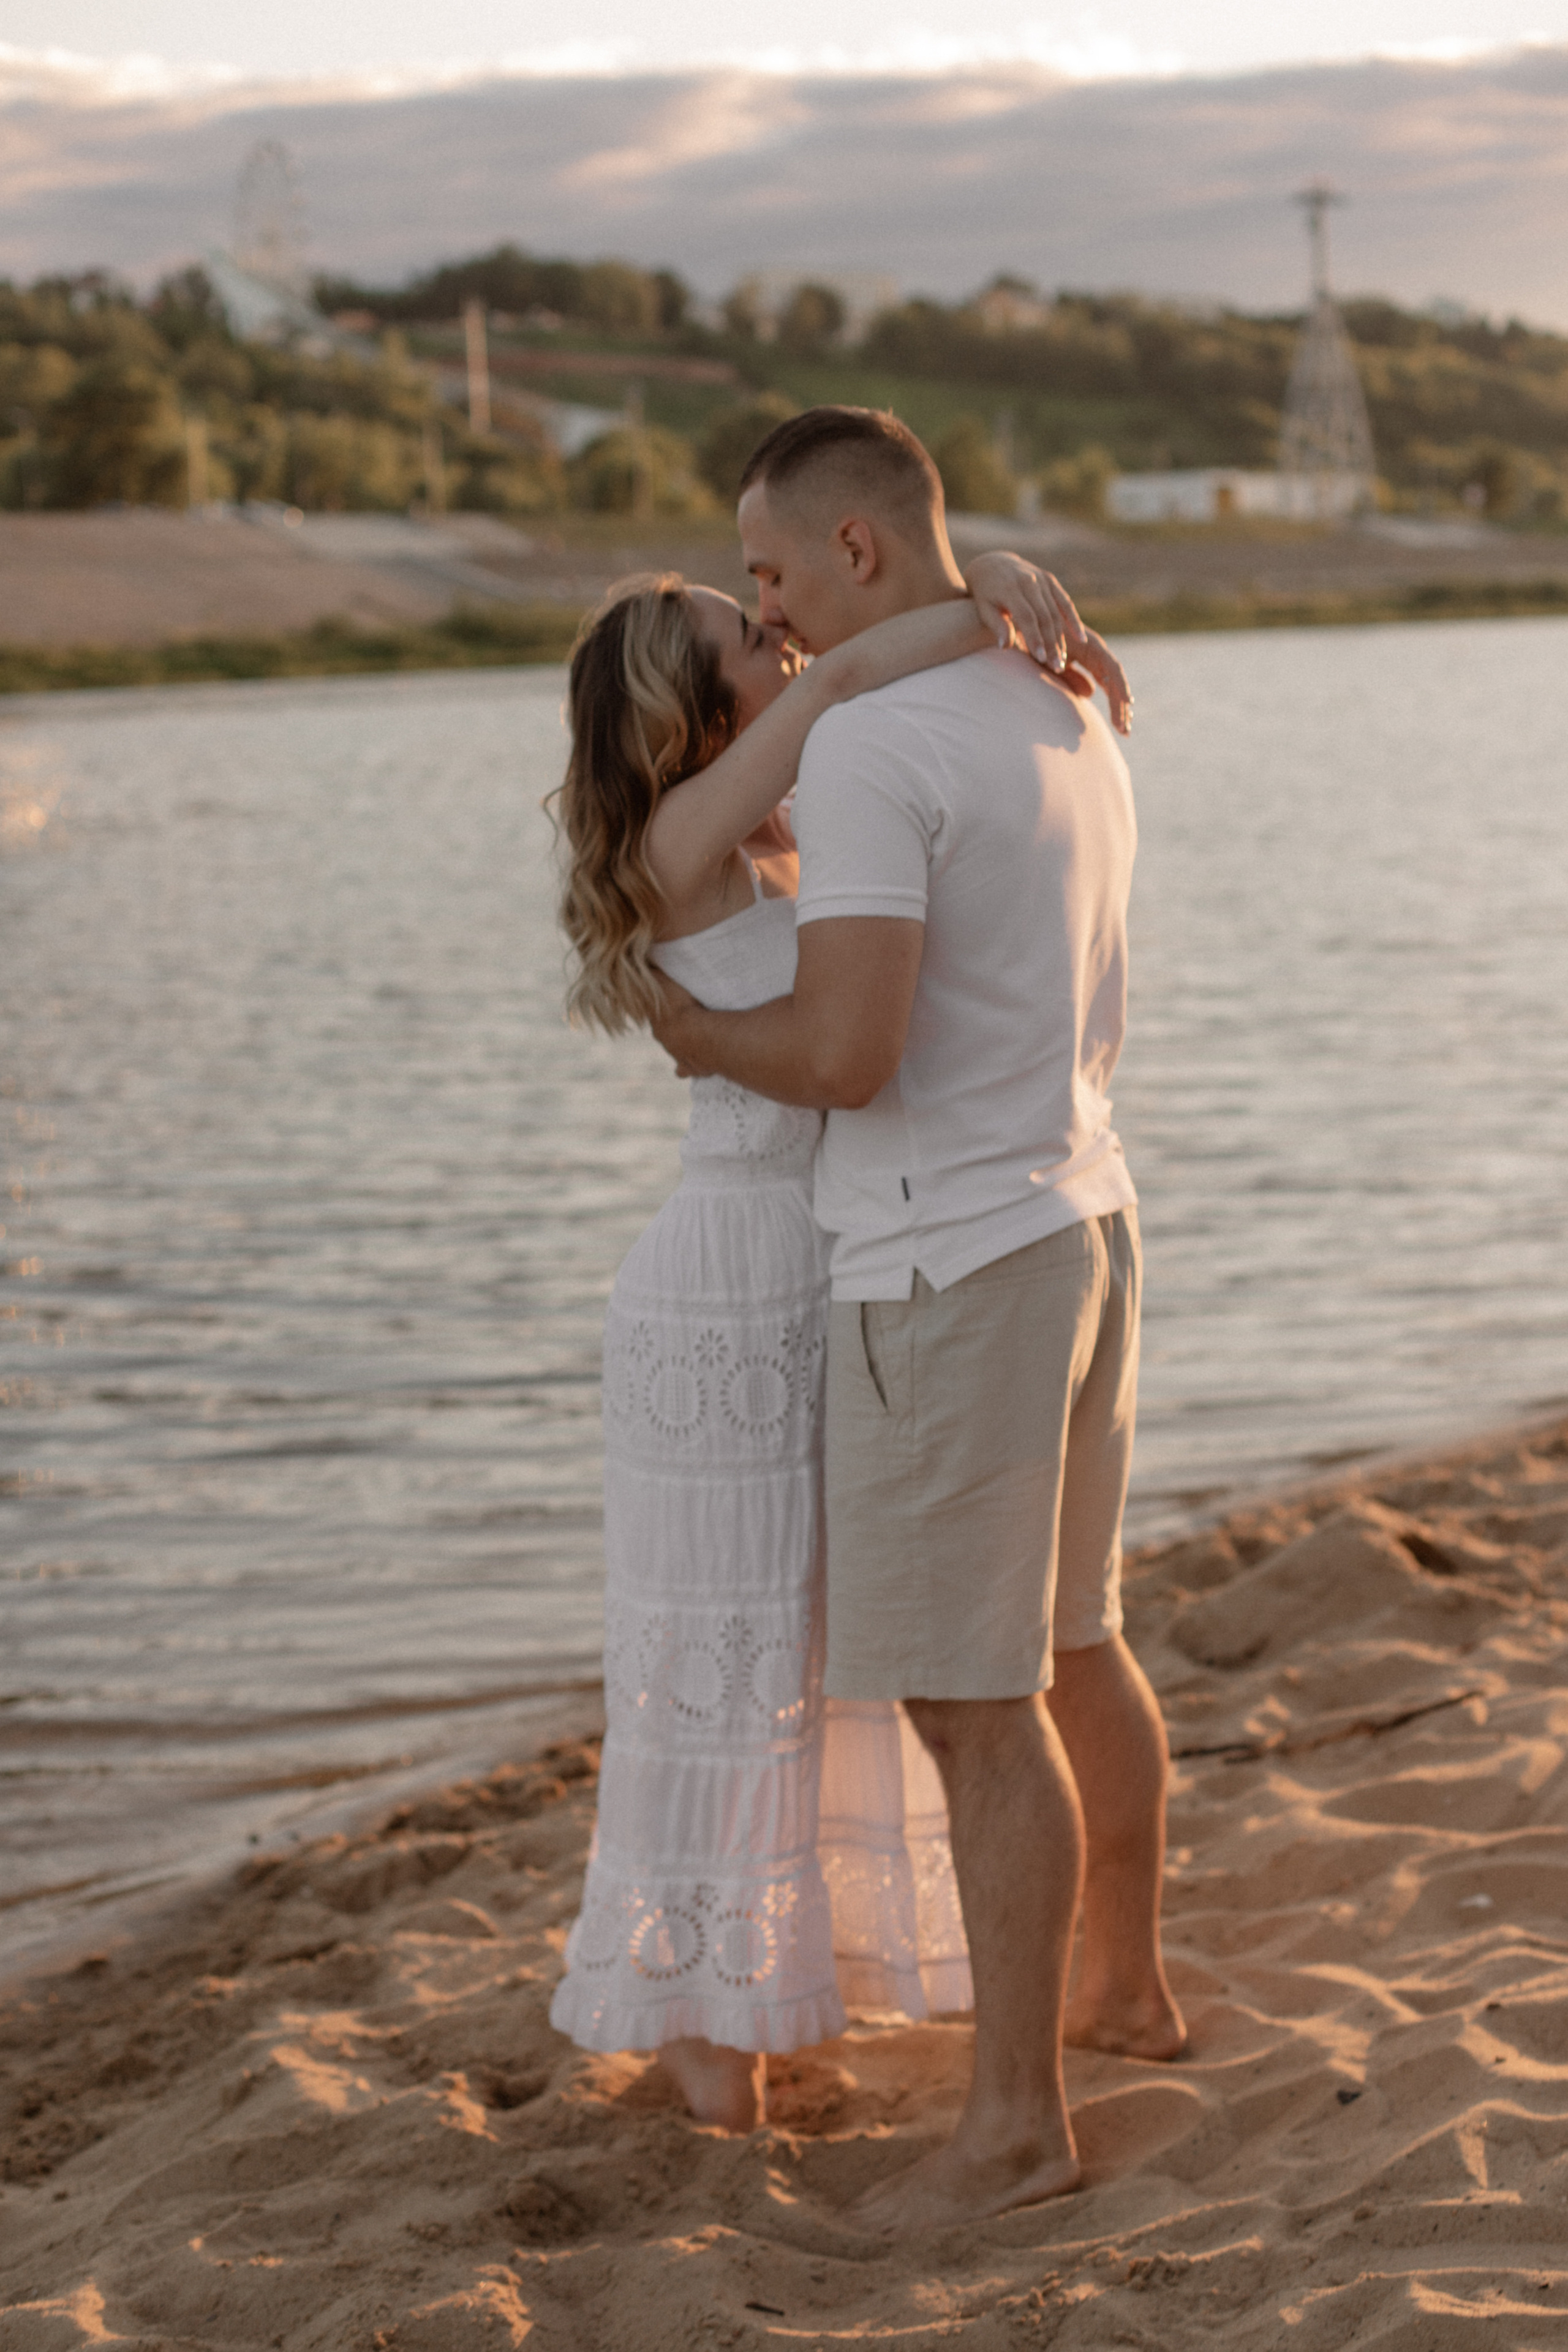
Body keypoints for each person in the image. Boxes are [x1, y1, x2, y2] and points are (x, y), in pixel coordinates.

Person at [649, 405, 1184, 2223]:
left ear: (860, 552)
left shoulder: (877, 746)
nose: (769, 607)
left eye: (776, 570)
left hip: (949, 1265)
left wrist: (705, 1036)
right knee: (1081, 1641)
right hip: (1086, 1216)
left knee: (976, 1702)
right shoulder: (1073, 698)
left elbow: (849, 1055)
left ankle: (1015, 2127)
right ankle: (1130, 1986)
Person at [548, 547, 1133, 2133]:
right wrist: (1002, 598)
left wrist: (1007, 579)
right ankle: (704, 2036)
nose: (783, 636)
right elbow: (851, 679)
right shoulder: (682, 840)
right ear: (694, 704)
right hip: (731, 1284)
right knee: (730, 1651)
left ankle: (790, 1983)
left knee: (831, 1640)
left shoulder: (773, 834)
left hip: (836, 1265)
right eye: (750, 635)